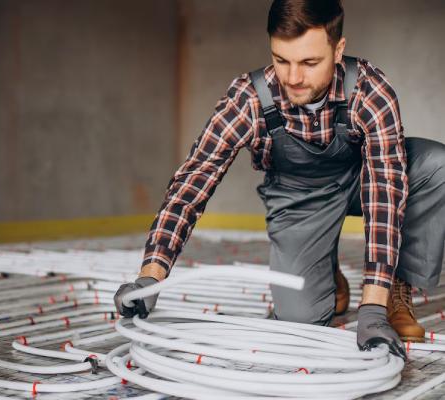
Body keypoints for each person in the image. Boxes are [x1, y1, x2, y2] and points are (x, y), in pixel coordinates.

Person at [114, 0, 445, 360]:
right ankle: (323, 266)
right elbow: (194, 180)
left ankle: (397, 283)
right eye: (281, 59)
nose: (292, 78)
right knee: (299, 321)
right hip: (298, 200)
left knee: (435, 164)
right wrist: (151, 276)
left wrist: (373, 306)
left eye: (309, 62)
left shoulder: (370, 91)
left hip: (361, 181)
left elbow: (385, 192)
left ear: (339, 50)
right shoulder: (249, 98)